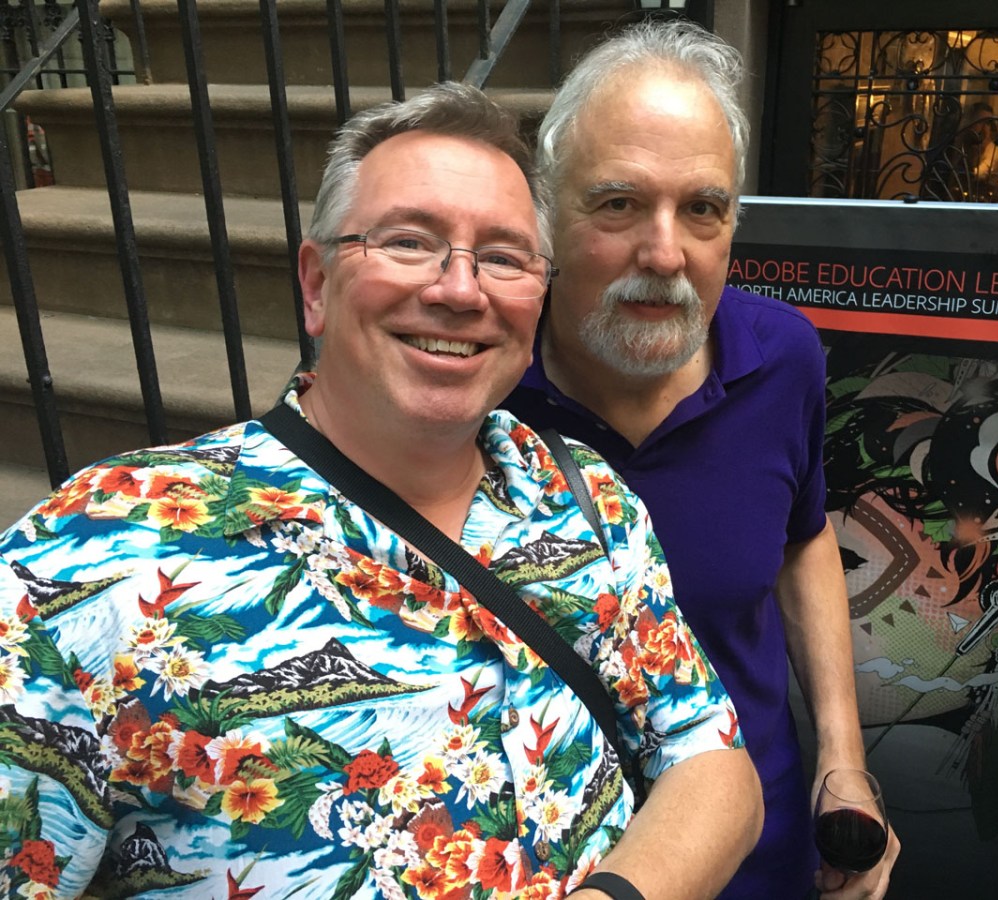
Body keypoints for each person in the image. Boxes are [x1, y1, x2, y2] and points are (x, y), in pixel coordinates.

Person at [0, 84, 762, 899]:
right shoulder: (87, 565)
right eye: (407, 242)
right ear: (316, 284)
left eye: (504, 257)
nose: (460, 290)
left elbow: (712, 760)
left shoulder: (586, 496)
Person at [502, 21, 900, 900]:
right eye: (618, 203)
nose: (664, 253)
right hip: (546, 871)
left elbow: (802, 538)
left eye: (702, 209)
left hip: (756, 842)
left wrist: (842, 759)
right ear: (546, 214)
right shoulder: (479, 387)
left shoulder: (782, 359)